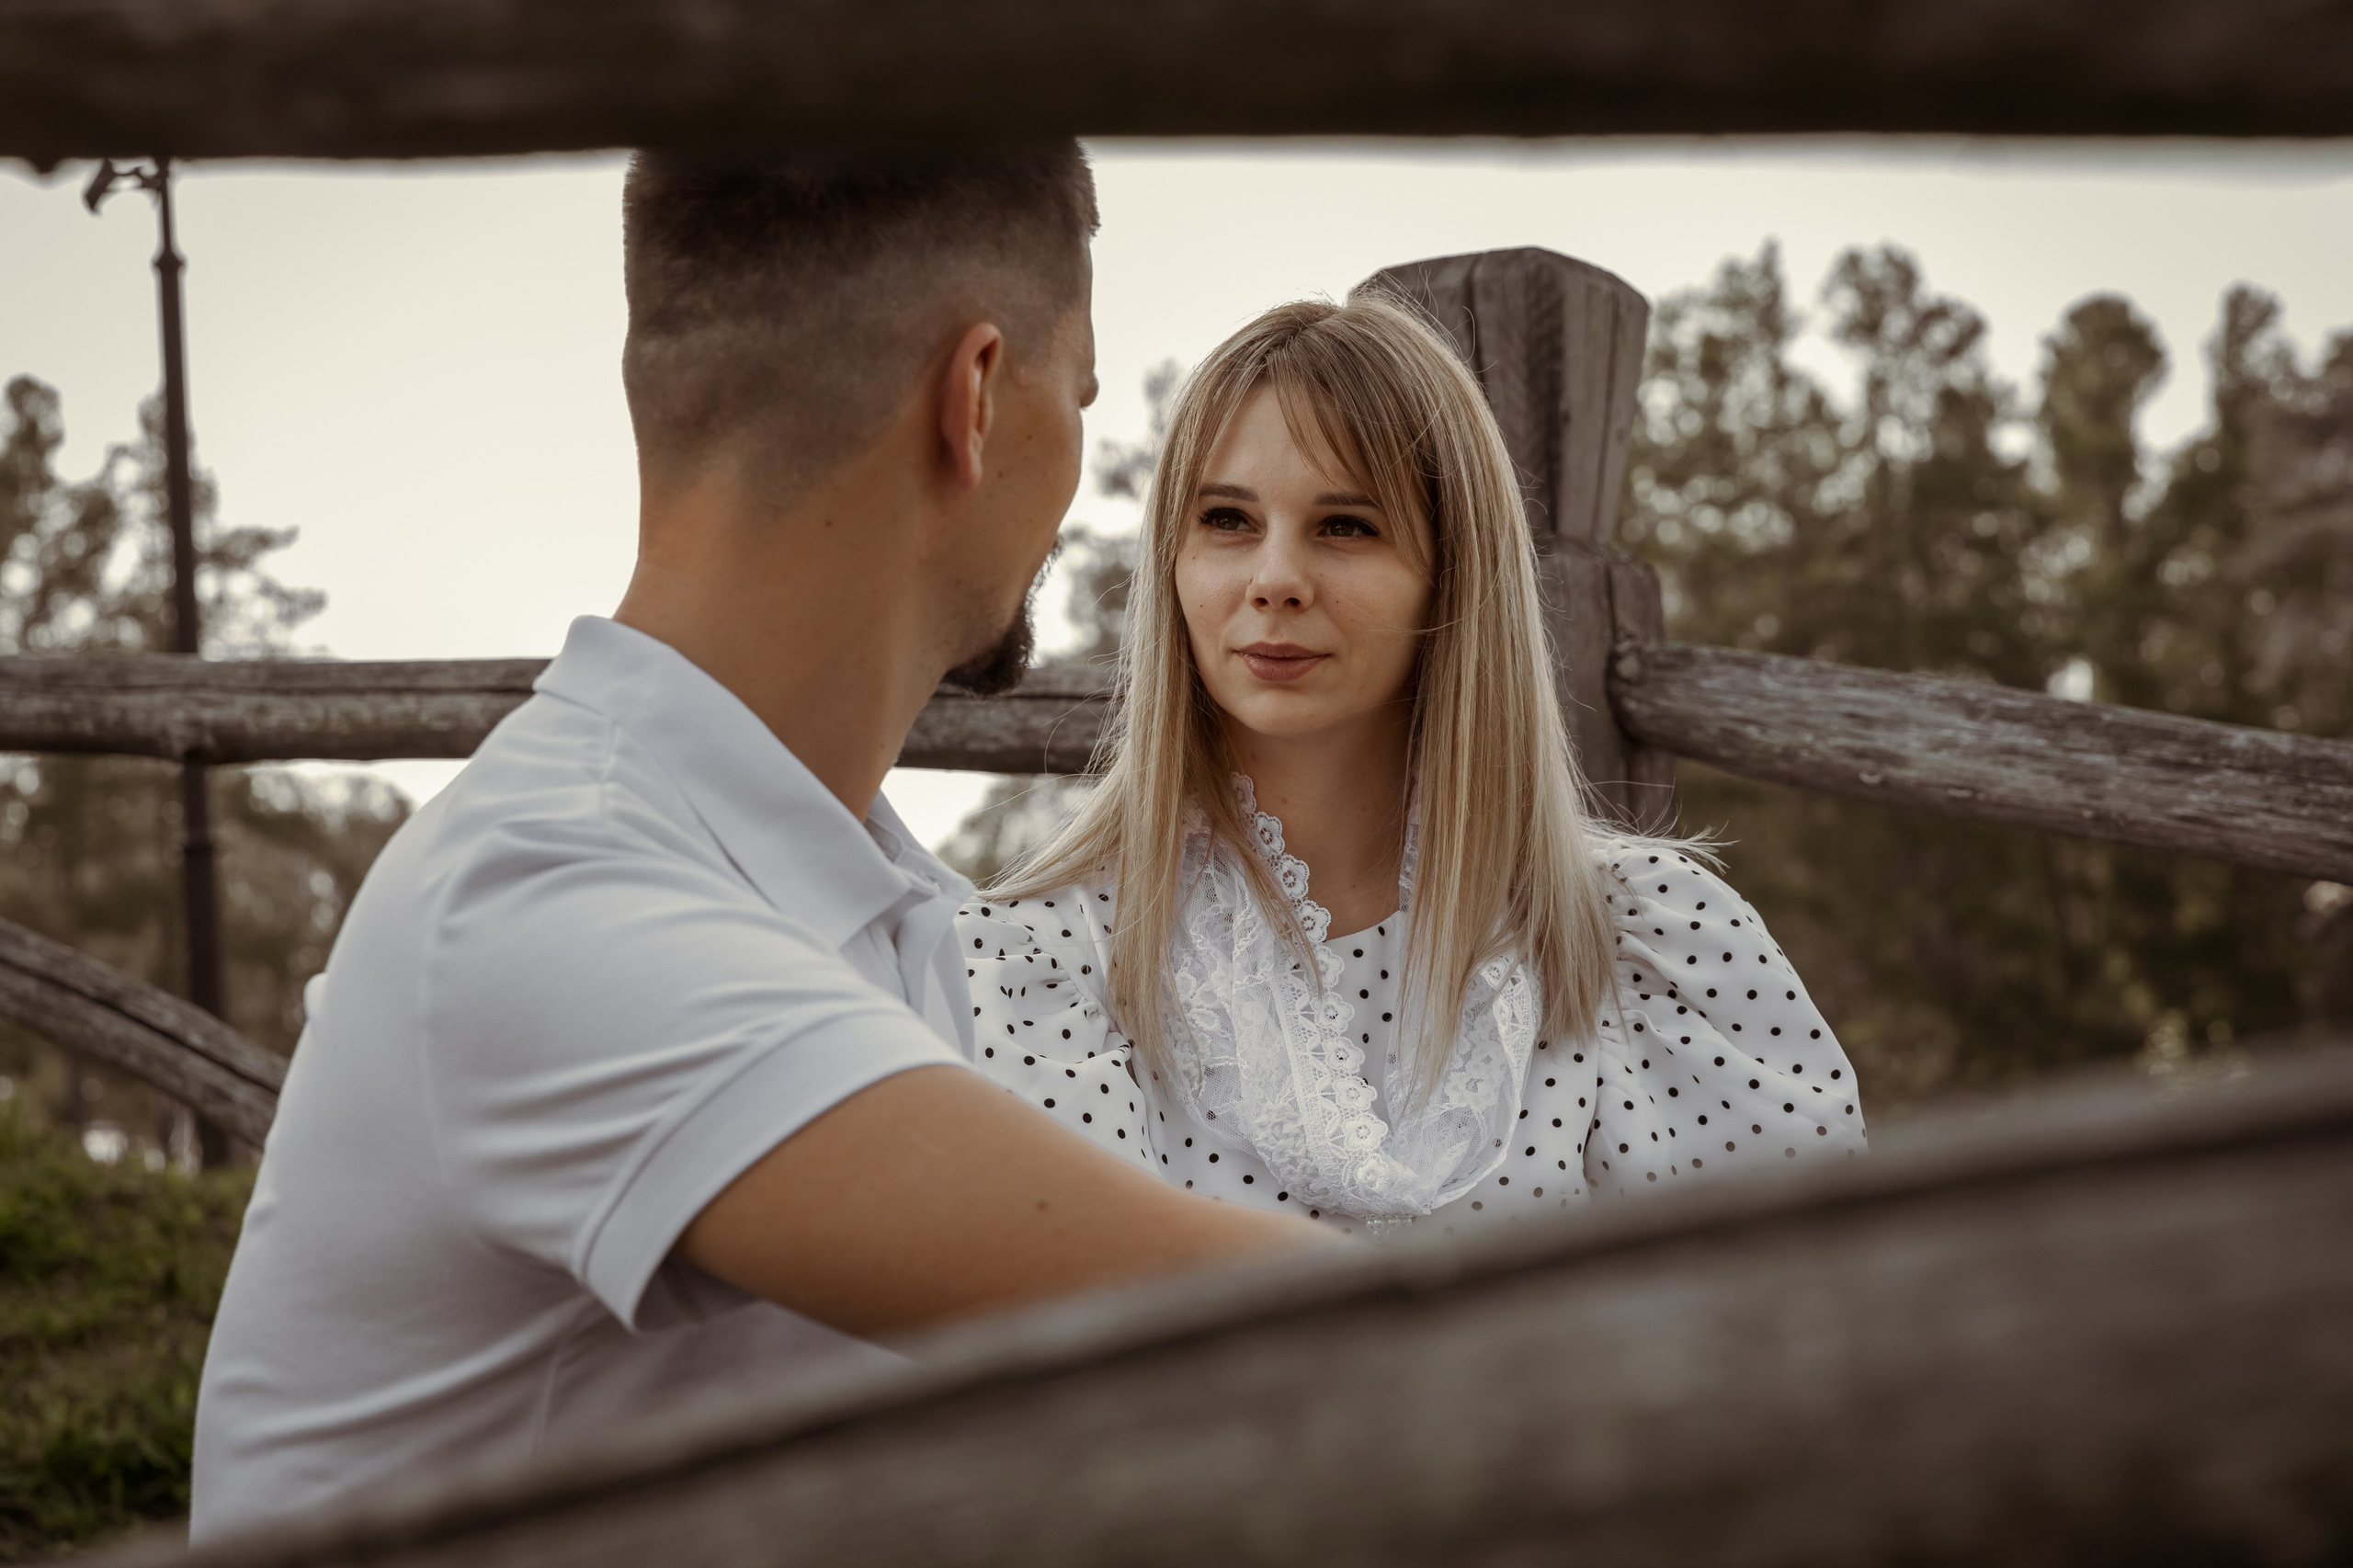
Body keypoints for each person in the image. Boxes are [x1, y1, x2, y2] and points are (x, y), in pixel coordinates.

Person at [189, 145, 1332, 1542]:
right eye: (1078, 395)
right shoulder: (554, 903)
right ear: (974, 399)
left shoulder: (851, 891)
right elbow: (1316, 1343)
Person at [961, 293, 1868, 1237]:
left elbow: (1801, 1320)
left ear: (1454, 574)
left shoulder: (1640, 941)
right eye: (1227, 519)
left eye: (1345, 525)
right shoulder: (1050, 960)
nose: (1274, 578)